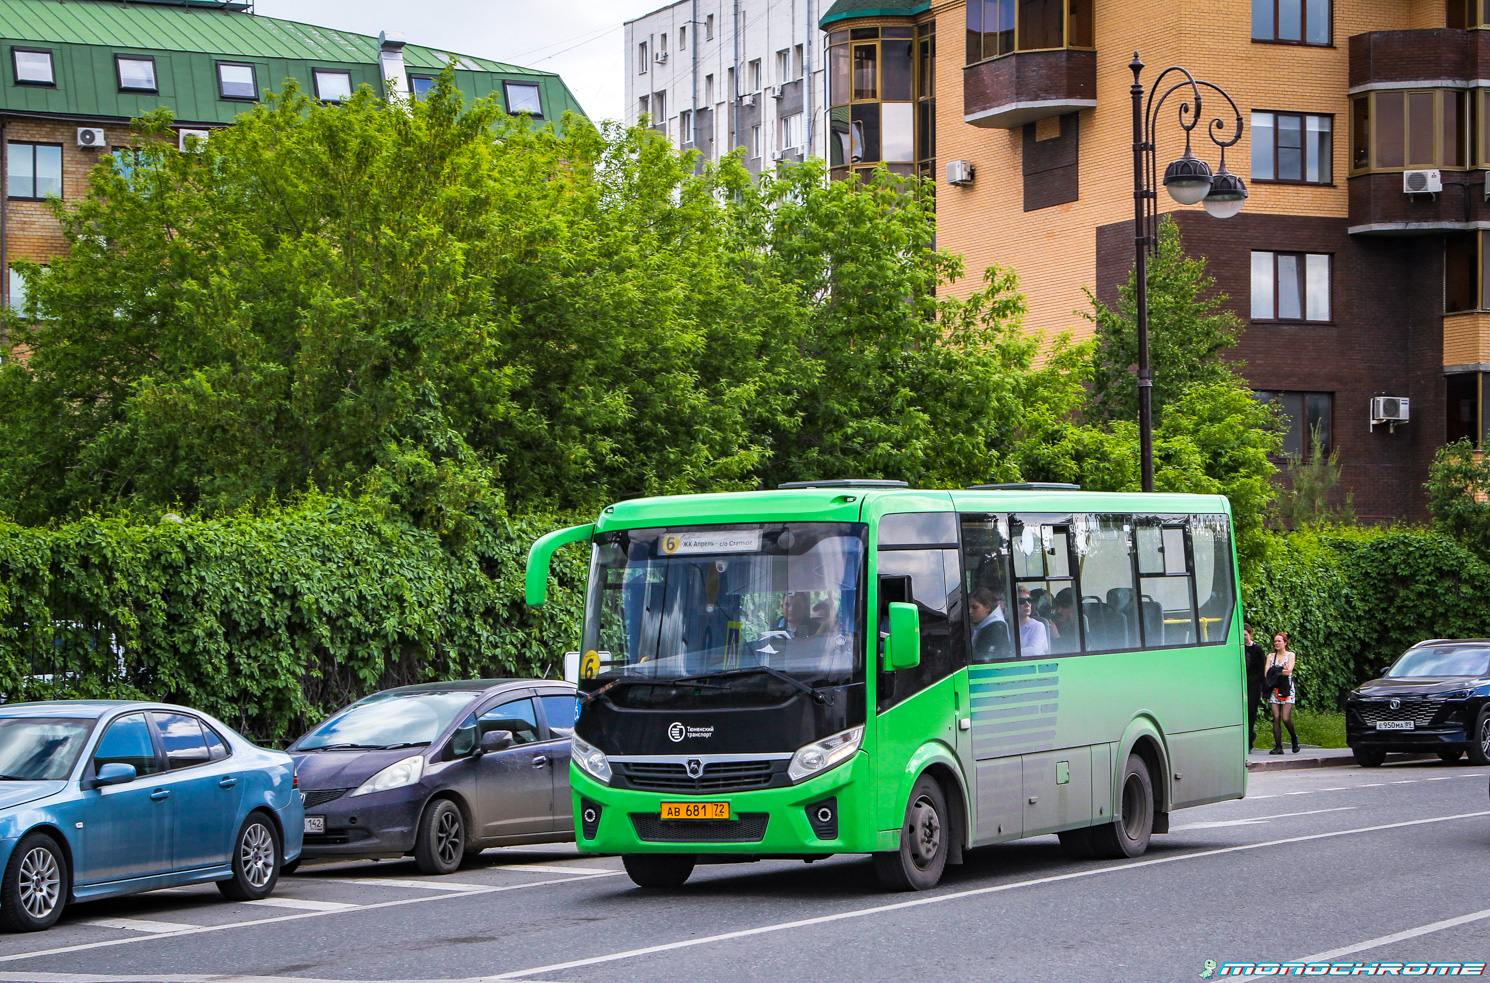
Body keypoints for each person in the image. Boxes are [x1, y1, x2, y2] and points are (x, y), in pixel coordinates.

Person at [1263, 631, 1299, 755]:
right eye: (1275, 641)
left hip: (1286, 689)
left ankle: (1294, 738)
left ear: (1285, 642)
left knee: (1285, 717)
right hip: (1274, 689)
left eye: (1279, 641)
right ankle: (1278, 746)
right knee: (1276, 717)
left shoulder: (1291, 655)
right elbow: (1267, 674)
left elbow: (1289, 672)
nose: (1276, 643)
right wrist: (1281, 670)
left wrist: (1275, 670)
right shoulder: (1270, 656)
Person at [968, 586, 1010, 661]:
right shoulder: (979, 625)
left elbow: (989, 660)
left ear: (987, 608)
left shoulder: (997, 628)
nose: (970, 611)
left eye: (975, 607)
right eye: (969, 607)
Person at [1243, 625, 1266, 748]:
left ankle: (1249, 740)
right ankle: (1249, 735)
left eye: (1245, 634)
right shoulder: (1239, 648)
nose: (1244, 637)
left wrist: (1263, 687)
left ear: (1250, 634)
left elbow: (1262, 668)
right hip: (1243, 682)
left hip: (1254, 684)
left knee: (1252, 710)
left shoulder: (1257, 649)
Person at [1015, 587, 1050, 657]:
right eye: (1021, 601)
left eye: (1029, 600)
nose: (1027, 604)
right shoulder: (1007, 626)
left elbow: (1035, 651)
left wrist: (1010, 653)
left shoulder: (1038, 626)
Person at [1050, 587, 1082, 653]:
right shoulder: (1051, 623)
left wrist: (1056, 636)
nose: (1058, 611)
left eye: (1064, 607)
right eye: (1057, 606)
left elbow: (1070, 652)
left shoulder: (1080, 630)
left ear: (1075, 608)